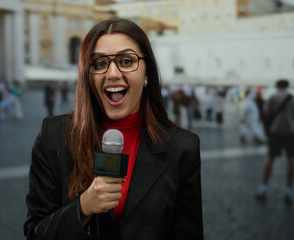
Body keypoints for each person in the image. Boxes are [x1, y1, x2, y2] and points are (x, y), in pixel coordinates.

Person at [24, 19, 203, 240]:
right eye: (99, 64)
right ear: (88, 77)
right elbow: (35, 233)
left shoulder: (183, 148)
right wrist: (83, 207)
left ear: (147, 74)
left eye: (126, 61)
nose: (112, 73)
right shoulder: (53, 136)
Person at [255, 79, 294, 205]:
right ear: (287, 86)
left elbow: (265, 114)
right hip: (291, 132)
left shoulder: (272, 98)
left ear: (277, 86)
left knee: (270, 158)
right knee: (291, 159)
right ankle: (288, 190)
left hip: (276, 132)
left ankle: (264, 188)